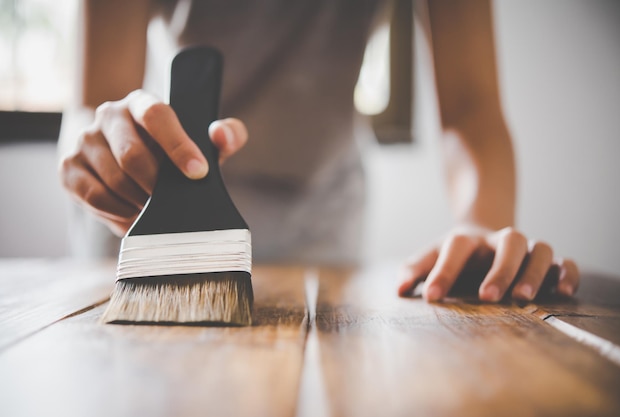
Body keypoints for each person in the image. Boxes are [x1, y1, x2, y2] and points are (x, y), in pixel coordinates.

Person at [58, 0, 579, 303]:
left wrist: (483, 225)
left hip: (321, 207)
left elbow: (470, 109)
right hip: (152, 208)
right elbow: (95, 101)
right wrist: (97, 150)